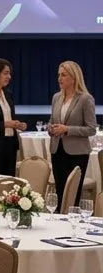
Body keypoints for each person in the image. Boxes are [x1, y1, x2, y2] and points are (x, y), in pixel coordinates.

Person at [47, 60, 96, 211]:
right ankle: (58, 221)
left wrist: (67, 129)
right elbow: (52, 120)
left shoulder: (85, 99)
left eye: (63, 75)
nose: (59, 78)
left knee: (72, 194)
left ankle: (71, 222)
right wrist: (51, 128)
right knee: (60, 191)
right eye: (58, 75)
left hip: (77, 154)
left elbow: (91, 129)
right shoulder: (56, 97)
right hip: (57, 150)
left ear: (74, 77)